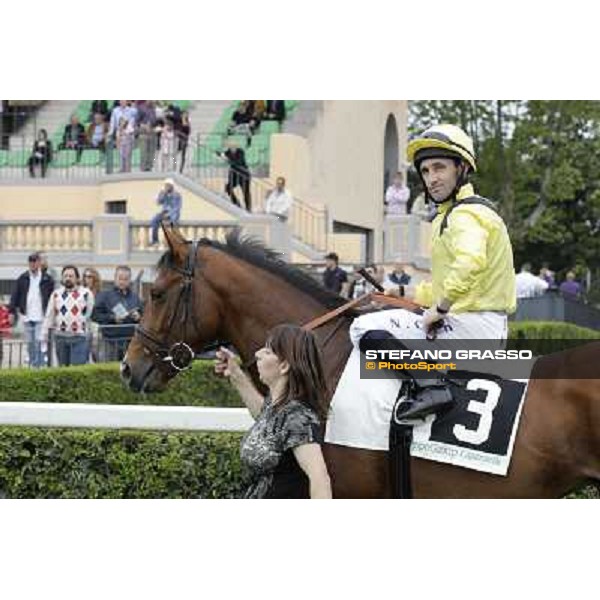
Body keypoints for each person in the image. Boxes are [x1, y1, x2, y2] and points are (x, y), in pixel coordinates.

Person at [350, 123, 517, 420]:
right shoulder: (454, 214)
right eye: (425, 171)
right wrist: (402, 292)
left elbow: (469, 264)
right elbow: (446, 283)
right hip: (477, 324)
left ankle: (431, 389)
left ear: (462, 168)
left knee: (362, 328)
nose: (431, 179)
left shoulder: (465, 213)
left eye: (439, 168)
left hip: (473, 328)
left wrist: (439, 308)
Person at [215, 324, 332, 499]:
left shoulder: (297, 417)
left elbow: (320, 479)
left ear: (284, 366)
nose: (257, 354)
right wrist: (236, 374)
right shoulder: (277, 407)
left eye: (268, 352)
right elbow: (265, 420)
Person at [8, 253, 55, 368]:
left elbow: (52, 298)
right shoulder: (23, 277)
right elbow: (15, 295)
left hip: (41, 316)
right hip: (27, 315)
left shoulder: (47, 279)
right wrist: (11, 312)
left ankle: (38, 366)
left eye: (35, 261)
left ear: (39, 263)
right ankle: (34, 365)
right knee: (30, 343)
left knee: (39, 342)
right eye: (31, 261)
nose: (33, 264)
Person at [42, 265, 94, 366]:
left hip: (79, 337)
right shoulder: (56, 294)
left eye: (71, 276)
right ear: (62, 278)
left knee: (77, 370)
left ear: (77, 278)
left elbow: (88, 313)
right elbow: (50, 314)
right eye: (65, 276)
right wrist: (44, 333)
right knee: (62, 370)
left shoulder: (86, 293)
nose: (68, 278)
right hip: (60, 336)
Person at [92, 265, 143, 362]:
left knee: (128, 372)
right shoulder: (104, 296)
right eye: (120, 278)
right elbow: (95, 316)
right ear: (115, 278)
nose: (122, 281)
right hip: (109, 341)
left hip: (130, 342)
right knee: (109, 372)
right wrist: (112, 318)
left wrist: (138, 317)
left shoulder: (135, 297)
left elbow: (144, 316)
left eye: (126, 279)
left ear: (129, 280)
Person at [217, 144, 252, 211]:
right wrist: (220, 154)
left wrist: (226, 159)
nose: (232, 148)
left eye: (233, 147)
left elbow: (238, 162)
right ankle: (236, 204)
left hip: (244, 175)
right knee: (228, 188)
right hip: (235, 175)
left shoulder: (240, 152)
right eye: (230, 147)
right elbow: (222, 154)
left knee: (246, 192)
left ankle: (248, 208)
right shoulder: (228, 152)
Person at [150, 178, 182, 246]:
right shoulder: (164, 193)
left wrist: (169, 214)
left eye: (168, 185)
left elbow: (177, 208)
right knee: (154, 220)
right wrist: (162, 194)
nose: (166, 187)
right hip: (164, 212)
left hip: (174, 213)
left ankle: (175, 240)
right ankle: (155, 241)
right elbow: (158, 203)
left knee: (173, 222)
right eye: (165, 185)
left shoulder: (177, 195)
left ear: (172, 186)